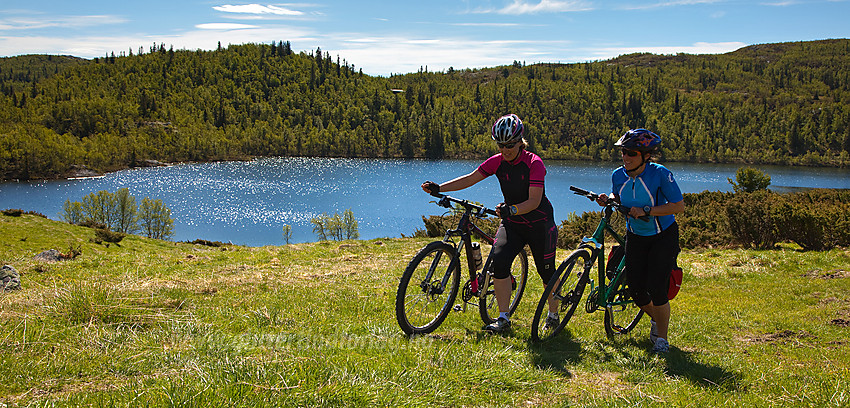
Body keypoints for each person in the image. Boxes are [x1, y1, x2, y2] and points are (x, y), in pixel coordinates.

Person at [421, 114, 559, 333]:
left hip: (539, 223)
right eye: (501, 145)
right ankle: (503, 318)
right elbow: (470, 178)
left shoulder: (534, 164)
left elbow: (534, 201)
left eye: (510, 144)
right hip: (512, 223)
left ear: (520, 141)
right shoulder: (497, 162)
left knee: (546, 272)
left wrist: (510, 209)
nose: (505, 149)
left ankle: (553, 314)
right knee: (499, 263)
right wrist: (440, 188)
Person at [595, 129, 685, 353]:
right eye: (623, 152)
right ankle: (658, 319)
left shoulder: (660, 174)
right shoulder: (618, 175)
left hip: (662, 236)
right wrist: (610, 199)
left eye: (631, 153)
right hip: (636, 236)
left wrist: (647, 210)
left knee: (656, 287)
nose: (625, 157)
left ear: (646, 155)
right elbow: (618, 194)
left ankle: (662, 340)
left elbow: (678, 206)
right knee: (636, 290)